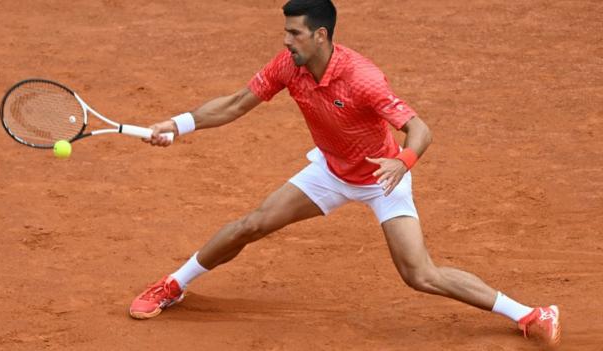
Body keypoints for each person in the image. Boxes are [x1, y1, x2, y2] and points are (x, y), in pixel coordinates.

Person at [129, 0, 560, 346]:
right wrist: (178, 123)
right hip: (331, 171)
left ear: (320, 34)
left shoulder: (362, 78)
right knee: (251, 224)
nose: (286, 41)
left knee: (419, 274)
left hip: (381, 178)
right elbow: (237, 103)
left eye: (294, 33)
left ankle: (528, 313)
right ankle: (173, 284)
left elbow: (419, 129)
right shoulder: (288, 66)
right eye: (285, 32)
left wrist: (401, 162)